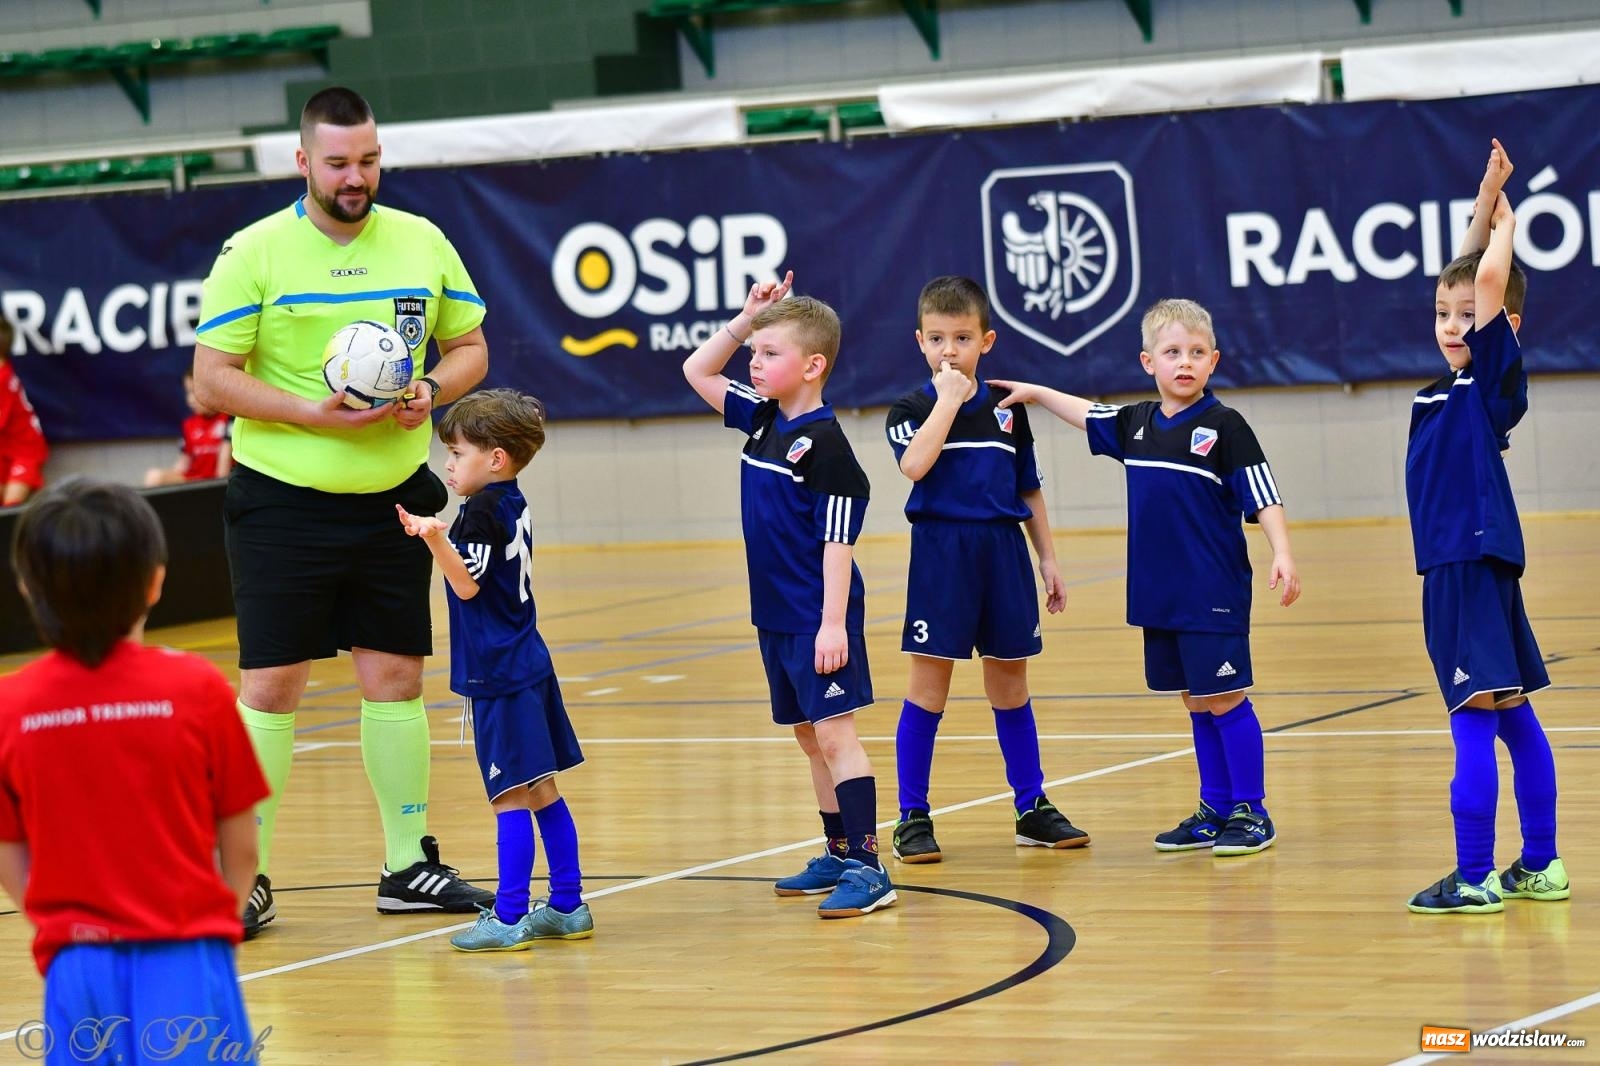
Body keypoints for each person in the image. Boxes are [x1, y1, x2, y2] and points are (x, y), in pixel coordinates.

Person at [192, 85, 493, 935]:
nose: (354, 177)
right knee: (272, 684)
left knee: (395, 678)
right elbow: (211, 378)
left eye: (367, 160)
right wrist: (308, 413)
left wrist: (430, 386)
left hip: (393, 502)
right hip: (282, 504)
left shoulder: (421, 240)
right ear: (302, 163)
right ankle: (244, 879)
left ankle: (408, 866)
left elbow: (469, 347)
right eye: (337, 163)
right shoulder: (254, 252)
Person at [992, 297, 1301, 857]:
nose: (1185, 362)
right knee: (1196, 699)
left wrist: (1282, 551)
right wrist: (1036, 393)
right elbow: (1088, 413)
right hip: (1160, 596)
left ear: (1214, 362)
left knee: (1226, 697)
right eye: (1172, 352)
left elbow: (1264, 493)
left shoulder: (1226, 427)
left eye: (1197, 353)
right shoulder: (1136, 424)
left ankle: (1252, 810)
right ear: (1147, 362)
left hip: (1213, 593)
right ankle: (1215, 807)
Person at [0, 479, 268, 1059]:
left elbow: (9, 852)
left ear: (26, 588)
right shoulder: (197, 689)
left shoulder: (8, 707)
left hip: (77, 964)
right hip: (187, 953)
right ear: (155, 581)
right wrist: (210, 926)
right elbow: (242, 845)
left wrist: (66, 922)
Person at [681, 271, 895, 918]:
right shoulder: (762, 418)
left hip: (815, 617)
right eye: (755, 352)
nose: (754, 361)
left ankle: (868, 864)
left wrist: (833, 625)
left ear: (813, 365)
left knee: (836, 736)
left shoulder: (825, 445)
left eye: (770, 354)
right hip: (773, 615)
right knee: (808, 736)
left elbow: (839, 543)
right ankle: (836, 851)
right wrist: (748, 318)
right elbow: (698, 370)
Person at [1403, 139, 1565, 914]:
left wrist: (1505, 207)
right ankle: (1541, 864)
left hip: (1465, 567)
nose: (1450, 324)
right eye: (1440, 314)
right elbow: (1467, 277)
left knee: (1472, 721)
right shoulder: (1448, 386)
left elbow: (1486, 281)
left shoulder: (1493, 380)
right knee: (1511, 713)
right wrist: (1479, 208)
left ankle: (1472, 878)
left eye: (1466, 318)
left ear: (1505, 323)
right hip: (1474, 566)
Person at [883, 276, 1087, 864]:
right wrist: (948, 401)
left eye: (963, 338)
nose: (950, 350)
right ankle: (912, 816)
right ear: (920, 341)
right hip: (942, 556)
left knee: (1011, 684)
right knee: (929, 688)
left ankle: (1032, 807)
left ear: (986, 341)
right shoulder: (912, 407)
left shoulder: (1007, 407)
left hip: (1003, 554)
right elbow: (914, 466)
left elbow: (1030, 486)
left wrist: (1047, 557)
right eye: (939, 339)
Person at [395, 389, 594, 952]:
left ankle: (507, 917)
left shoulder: (480, 510)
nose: (449, 464)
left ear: (497, 458)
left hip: (501, 672)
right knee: (542, 788)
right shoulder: (511, 500)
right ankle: (567, 904)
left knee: (508, 794)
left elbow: (466, 584)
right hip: (527, 658)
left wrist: (435, 537)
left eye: (457, 453)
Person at [145, 369, 234, 486]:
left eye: (195, 392)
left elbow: (223, 470)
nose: (190, 399)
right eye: (188, 392)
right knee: (154, 476)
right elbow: (182, 466)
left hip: (217, 483)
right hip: (194, 482)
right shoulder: (189, 424)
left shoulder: (229, 418)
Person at [0, 315, 49, 507]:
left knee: (10, 507)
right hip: (6, 448)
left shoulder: (2, 379)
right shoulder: (5, 368)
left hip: (25, 451)